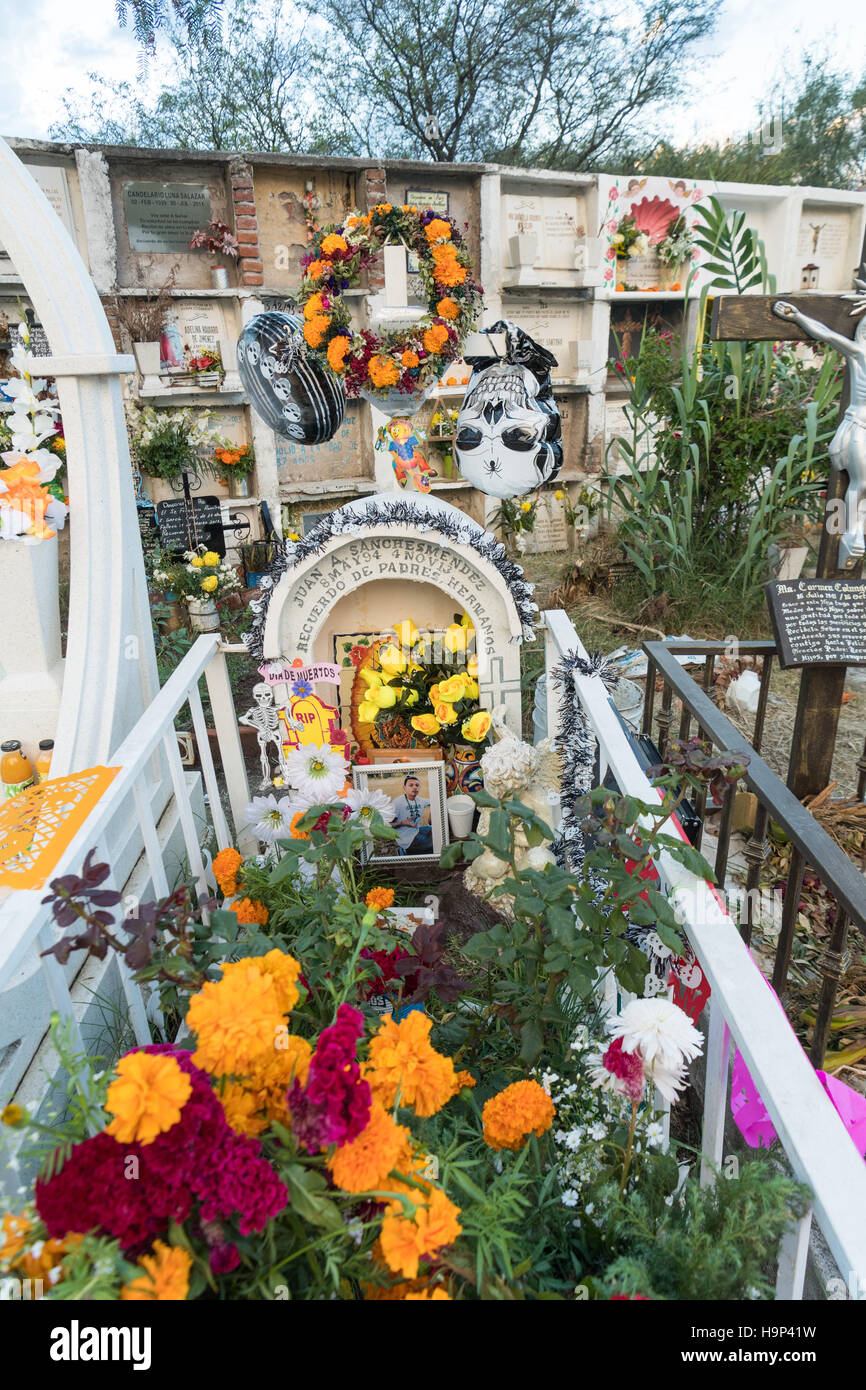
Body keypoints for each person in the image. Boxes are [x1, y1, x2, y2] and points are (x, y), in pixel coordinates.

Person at [390, 774, 432, 854]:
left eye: (417, 785)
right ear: (404, 788)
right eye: (411, 785)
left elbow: (435, 801)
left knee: (435, 829)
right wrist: (402, 823)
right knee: (434, 842)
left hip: (416, 832)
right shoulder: (397, 803)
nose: (415, 787)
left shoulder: (420, 800)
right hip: (405, 839)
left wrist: (430, 819)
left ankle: (413, 851)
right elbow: (388, 825)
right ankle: (404, 850)